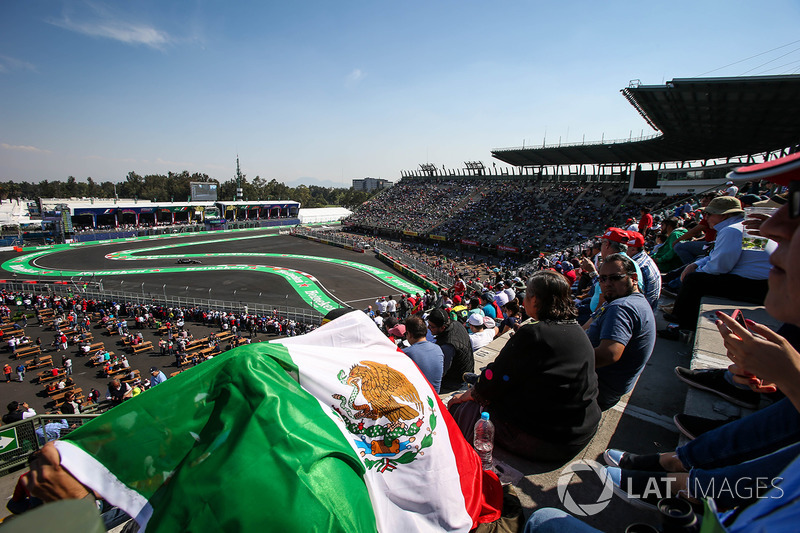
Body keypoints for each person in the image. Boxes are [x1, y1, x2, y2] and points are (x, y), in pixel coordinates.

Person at [448, 270, 601, 462]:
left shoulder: (533, 334)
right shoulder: (576, 329)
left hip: (552, 441)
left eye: (528, 294)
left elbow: (491, 382)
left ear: (535, 300)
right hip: (581, 428)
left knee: (462, 410)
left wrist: (462, 397)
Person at [663, 196, 774, 334]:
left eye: (708, 214)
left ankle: (681, 324)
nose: (706, 218)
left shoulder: (732, 230)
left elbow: (719, 267)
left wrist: (696, 271)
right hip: (763, 284)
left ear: (724, 215)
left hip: (755, 286)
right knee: (695, 273)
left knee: (694, 281)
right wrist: (695, 265)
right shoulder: (741, 227)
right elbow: (718, 256)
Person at [584, 253, 656, 410]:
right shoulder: (631, 301)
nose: (607, 283)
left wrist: (563, 360)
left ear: (634, 278)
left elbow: (609, 354)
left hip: (597, 388)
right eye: (603, 279)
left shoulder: (621, 308)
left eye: (615, 277)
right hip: (610, 385)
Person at [426, 308, 474, 392]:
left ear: (442, 327)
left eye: (432, 326)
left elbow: (440, 372)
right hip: (466, 371)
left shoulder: (448, 345)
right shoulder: (456, 324)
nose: (428, 328)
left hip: (457, 381)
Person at [401, 315, 444, 393]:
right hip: (435, 397)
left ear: (409, 334)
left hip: (418, 400)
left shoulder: (406, 353)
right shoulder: (438, 349)